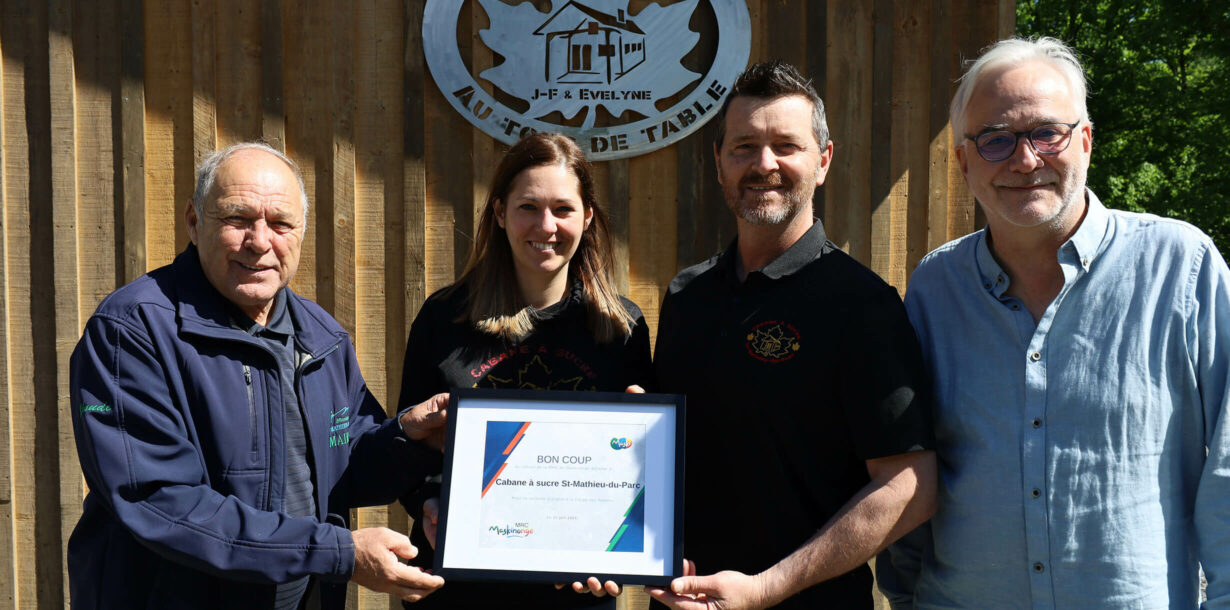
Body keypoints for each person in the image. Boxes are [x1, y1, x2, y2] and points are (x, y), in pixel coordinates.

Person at [876, 37, 1230, 608]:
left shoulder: (1180, 267)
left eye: (1047, 133)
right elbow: (910, 465)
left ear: (1085, 142)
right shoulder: (934, 290)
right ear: (963, 162)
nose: (1024, 159)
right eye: (995, 139)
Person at [68, 142, 447, 609]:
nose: (260, 241)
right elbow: (159, 500)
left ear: (301, 234)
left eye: (281, 223)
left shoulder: (320, 335)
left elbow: (342, 462)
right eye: (237, 219)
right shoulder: (134, 330)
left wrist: (409, 438)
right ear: (193, 221)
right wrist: (338, 552)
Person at [647, 61, 937, 610]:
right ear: (718, 163)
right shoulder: (687, 296)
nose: (764, 164)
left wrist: (766, 588)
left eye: (786, 146)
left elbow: (909, 486)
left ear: (823, 161)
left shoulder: (861, 305)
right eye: (743, 147)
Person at [396, 132, 653, 609]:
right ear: (499, 213)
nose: (546, 225)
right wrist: (427, 505)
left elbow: (634, 475)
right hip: (459, 588)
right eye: (528, 207)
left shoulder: (622, 327)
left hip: (575, 590)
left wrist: (642, 461)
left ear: (588, 215)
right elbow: (409, 441)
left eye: (563, 208)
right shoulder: (445, 317)